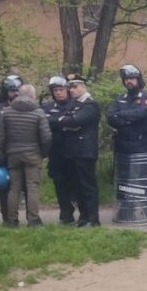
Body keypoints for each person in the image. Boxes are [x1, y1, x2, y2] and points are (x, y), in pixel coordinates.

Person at [0, 84, 52, 227]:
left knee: (14, 188)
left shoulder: (6, 112)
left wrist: (1, 156)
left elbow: (0, 138)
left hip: (13, 154)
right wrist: (43, 153)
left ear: (18, 94)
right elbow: (47, 137)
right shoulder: (39, 113)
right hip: (33, 154)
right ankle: (33, 220)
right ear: (34, 95)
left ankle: (12, 220)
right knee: (32, 187)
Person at [56, 73, 101, 227]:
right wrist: (66, 122)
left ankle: (93, 218)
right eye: (70, 87)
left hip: (85, 151)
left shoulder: (90, 104)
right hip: (73, 152)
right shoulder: (73, 104)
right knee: (77, 187)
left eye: (74, 87)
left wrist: (67, 122)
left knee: (87, 186)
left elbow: (75, 120)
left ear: (83, 86)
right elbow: (63, 119)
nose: (72, 90)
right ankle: (83, 217)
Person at [43, 76, 77, 224]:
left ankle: (81, 211)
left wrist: (58, 121)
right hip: (56, 152)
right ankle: (66, 212)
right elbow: (46, 122)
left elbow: (75, 122)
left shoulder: (75, 105)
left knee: (74, 183)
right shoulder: (48, 107)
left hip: (74, 151)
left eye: (61, 90)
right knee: (59, 183)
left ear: (67, 90)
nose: (58, 93)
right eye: (55, 90)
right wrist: (61, 121)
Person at [0, 74, 23, 224]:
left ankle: (32, 218)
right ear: (6, 92)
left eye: (18, 90)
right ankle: (7, 218)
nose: (15, 93)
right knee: (4, 186)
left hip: (22, 151)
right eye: (12, 91)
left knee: (26, 187)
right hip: (3, 152)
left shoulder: (27, 106)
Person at [107, 64, 147, 155]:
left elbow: (141, 114)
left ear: (138, 79)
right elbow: (110, 117)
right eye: (126, 79)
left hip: (140, 145)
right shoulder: (120, 98)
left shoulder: (146, 97)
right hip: (121, 146)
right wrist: (126, 122)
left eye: (131, 78)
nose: (128, 81)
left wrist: (120, 114)